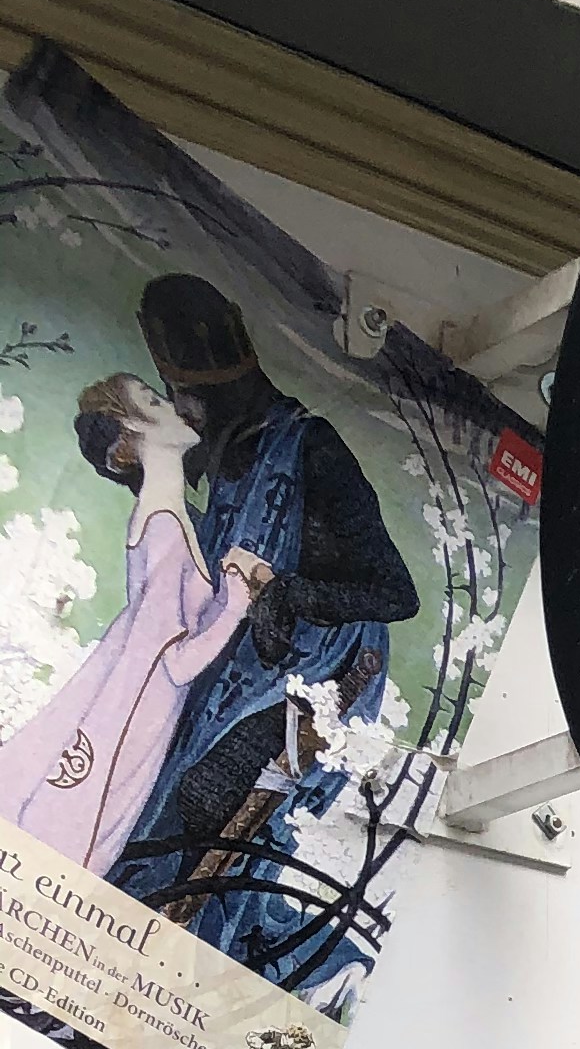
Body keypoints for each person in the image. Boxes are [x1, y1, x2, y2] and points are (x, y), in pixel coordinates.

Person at [110, 275, 418, 973]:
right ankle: (145, 956)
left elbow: (397, 593)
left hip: (320, 677)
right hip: (236, 666)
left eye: (197, 396)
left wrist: (293, 595)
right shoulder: (225, 443)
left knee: (206, 797)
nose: (192, 411)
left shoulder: (312, 447)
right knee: (150, 787)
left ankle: (224, 962)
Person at [0, 373, 261, 875]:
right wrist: (236, 603)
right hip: (135, 713)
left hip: (131, 701)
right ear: (130, 428)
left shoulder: (166, 518)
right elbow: (177, 664)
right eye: (154, 400)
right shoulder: (163, 526)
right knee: (74, 842)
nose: (174, 408)